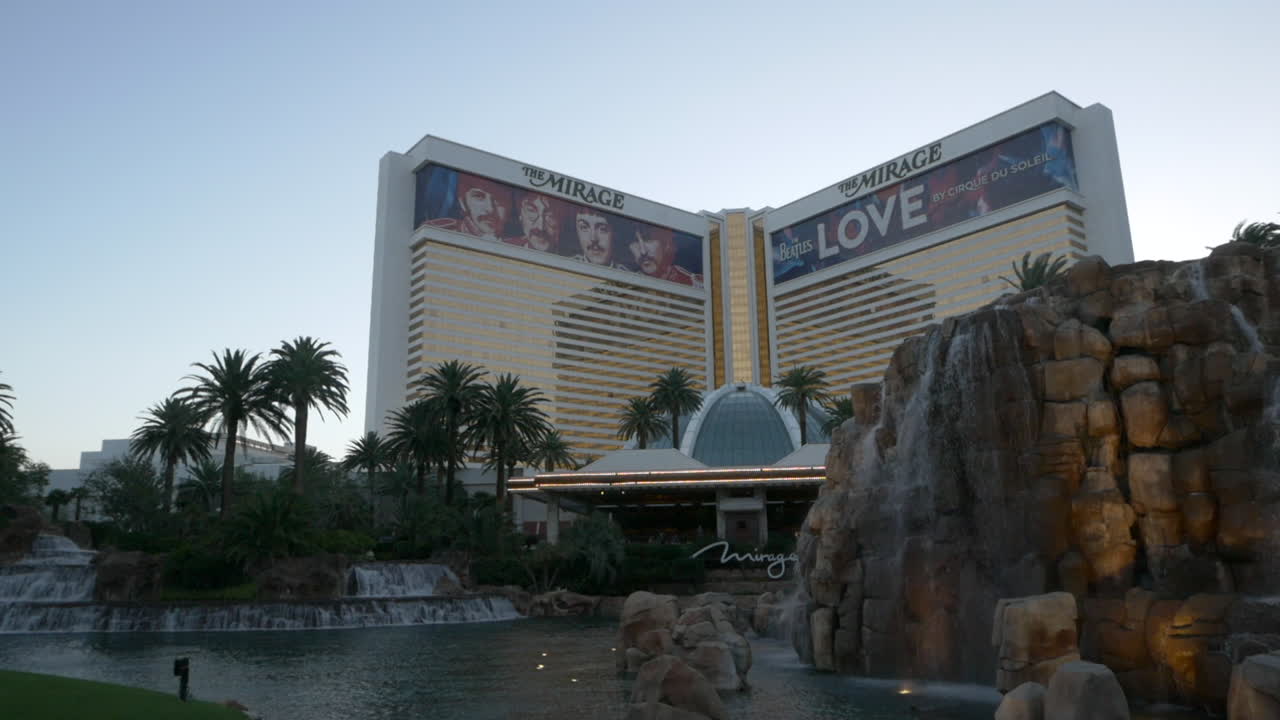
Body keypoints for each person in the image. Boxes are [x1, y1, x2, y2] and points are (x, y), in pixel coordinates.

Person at [429, 174, 509, 240]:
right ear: (463, 203)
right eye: (479, 196)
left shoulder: (516, 244)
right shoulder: (438, 231)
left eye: (499, 200)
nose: (490, 209)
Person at [628, 226, 702, 286]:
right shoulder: (626, 284)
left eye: (648, 240)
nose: (643, 251)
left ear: (667, 245)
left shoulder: (693, 284)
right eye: (635, 242)